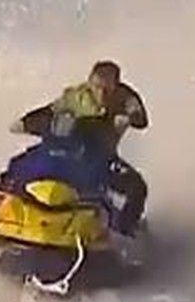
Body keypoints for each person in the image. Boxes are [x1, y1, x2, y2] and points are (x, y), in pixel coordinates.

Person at [11, 59, 149, 236]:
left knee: (136, 186)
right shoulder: (76, 96)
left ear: (116, 86)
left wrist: (130, 117)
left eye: (108, 89)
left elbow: (140, 118)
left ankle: (125, 231)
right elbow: (50, 111)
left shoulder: (125, 97)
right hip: (67, 152)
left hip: (101, 157)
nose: (102, 94)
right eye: (97, 87)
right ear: (90, 83)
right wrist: (25, 123)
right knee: (18, 165)